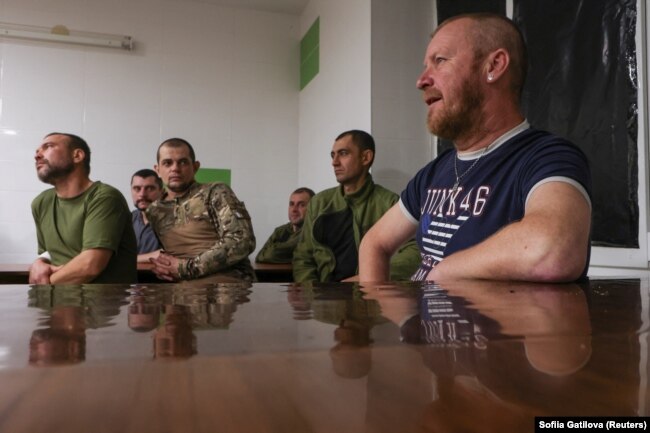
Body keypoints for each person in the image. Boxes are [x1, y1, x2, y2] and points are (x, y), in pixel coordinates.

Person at [359, 13, 592, 283]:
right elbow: (374, 242)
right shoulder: (433, 173)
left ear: (493, 66)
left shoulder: (548, 158)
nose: (421, 80)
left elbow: (553, 249)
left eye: (440, 61)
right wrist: (380, 313)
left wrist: (443, 272)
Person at [293, 130, 419, 283]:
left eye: (343, 153)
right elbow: (303, 258)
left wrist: (366, 278)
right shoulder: (319, 203)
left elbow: (414, 251)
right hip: (324, 299)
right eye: (333, 155)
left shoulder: (389, 203)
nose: (335, 162)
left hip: (369, 297)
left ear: (365, 157)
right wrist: (314, 294)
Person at [29, 133, 137, 284]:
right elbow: (48, 252)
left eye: (48, 147)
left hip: (101, 304)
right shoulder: (41, 203)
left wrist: (43, 287)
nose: (37, 155)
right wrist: (40, 262)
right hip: (58, 302)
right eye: (37, 151)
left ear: (77, 155)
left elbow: (90, 266)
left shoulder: (105, 198)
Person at [147, 138, 256, 283]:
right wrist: (164, 267)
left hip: (228, 287)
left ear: (195, 167)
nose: (175, 168)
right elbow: (168, 255)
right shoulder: (154, 210)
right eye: (167, 163)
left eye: (183, 162)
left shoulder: (215, 192)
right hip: (181, 291)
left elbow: (242, 241)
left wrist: (186, 268)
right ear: (157, 170)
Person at [255, 187, 315, 264]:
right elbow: (259, 256)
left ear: (313, 208)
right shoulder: (280, 230)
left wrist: (275, 249)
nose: (294, 209)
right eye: (291, 204)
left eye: (301, 205)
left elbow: (270, 254)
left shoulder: (312, 230)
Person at [130, 169, 163, 262]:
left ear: (161, 191)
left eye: (150, 188)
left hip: (159, 276)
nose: (142, 194)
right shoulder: (127, 219)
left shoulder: (175, 219)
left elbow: (172, 254)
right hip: (130, 276)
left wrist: (131, 259)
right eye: (137, 189)